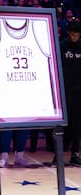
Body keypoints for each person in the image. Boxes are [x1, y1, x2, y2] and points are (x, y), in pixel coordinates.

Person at [58, 19, 81, 166]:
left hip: (79, 91)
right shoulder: (62, 45)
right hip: (64, 90)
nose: (75, 37)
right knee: (62, 124)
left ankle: (75, 153)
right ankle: (58, 154)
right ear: (68, 33)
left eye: (77, 34)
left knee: (77, 124)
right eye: (72, 34)